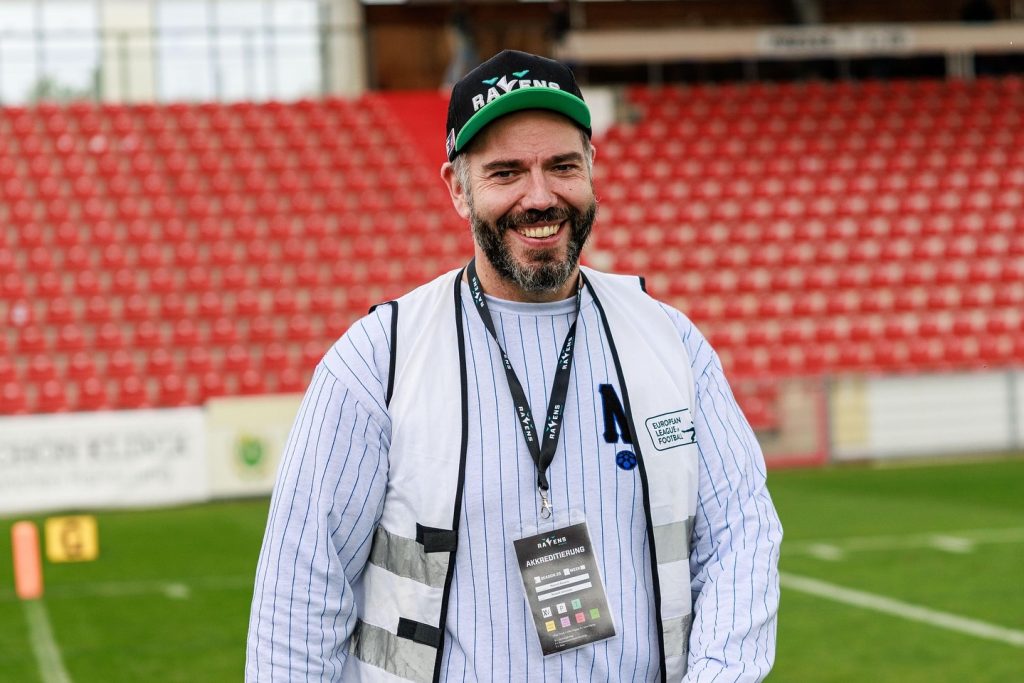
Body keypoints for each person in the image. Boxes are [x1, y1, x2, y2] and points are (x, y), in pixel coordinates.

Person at [246, 50, 782, 682]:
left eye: (561, 166)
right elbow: (299, 595)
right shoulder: (377, 361)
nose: (540, 196)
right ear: (456, 187)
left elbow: (740, 539)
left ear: (591, 168)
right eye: (506, 173)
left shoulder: (670, 342)